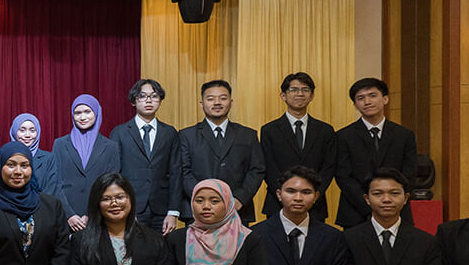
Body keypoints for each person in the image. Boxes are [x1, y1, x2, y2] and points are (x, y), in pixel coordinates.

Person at [52, 94, 121, 265]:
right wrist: (70, 215)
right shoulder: (60, 144)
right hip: (67, 219)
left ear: (96, 113)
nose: (82, 117)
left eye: (87, 112)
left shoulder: (110, 146)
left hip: (98, 219)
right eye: (77, 112)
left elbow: (112, 184)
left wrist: (94, 214)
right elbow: (55, 183)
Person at [176, 79, 266, 224]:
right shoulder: (186, 135)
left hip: (237, 209)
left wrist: (239, 198)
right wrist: (203, 199)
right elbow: (183, 171)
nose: (217, 103)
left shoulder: (247, 135)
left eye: (223, 98)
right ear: (202, 103)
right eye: (210, 99)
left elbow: (257, 170)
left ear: (231, 102)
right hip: (198, 210)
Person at [334, 78, 420, 229]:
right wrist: (370, 204)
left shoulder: (404, 135)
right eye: (361, 98)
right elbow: (343, 176)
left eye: (372, 95)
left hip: (396, 211)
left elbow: (409, 173)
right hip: (356, 212)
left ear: (385, 99)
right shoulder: (343, 136)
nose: (367, 102)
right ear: (355, 105)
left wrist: (391, 201)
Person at [259, 73, 337, 222]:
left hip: (315, 205)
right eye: (294, 89)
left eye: (305, 90)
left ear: (312, 96)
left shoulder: (325, 130)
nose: (300, 94)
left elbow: (329, 167)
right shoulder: (269, 130)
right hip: (278, 203)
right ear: (283, 96)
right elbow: (268, 167)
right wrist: (285, 195)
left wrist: (312, 195)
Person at [108, 78, 181, 233]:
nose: (148, 100)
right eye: (142, 96)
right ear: (134, 101)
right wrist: (122, 208)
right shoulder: (119, 133)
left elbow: (176, 173)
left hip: (162, 209)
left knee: (162, 247)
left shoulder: (170, 133)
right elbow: (114, 174)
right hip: (131, 207)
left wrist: (173, 212)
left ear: (160, 100)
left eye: (154, 96)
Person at [7, 112, 60, 197]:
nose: (27, 135)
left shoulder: (48, 159)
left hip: (41, 204)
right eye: (22, 130)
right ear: (14, 131)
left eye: (32, 130)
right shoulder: (1, 157)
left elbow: (51, 189)